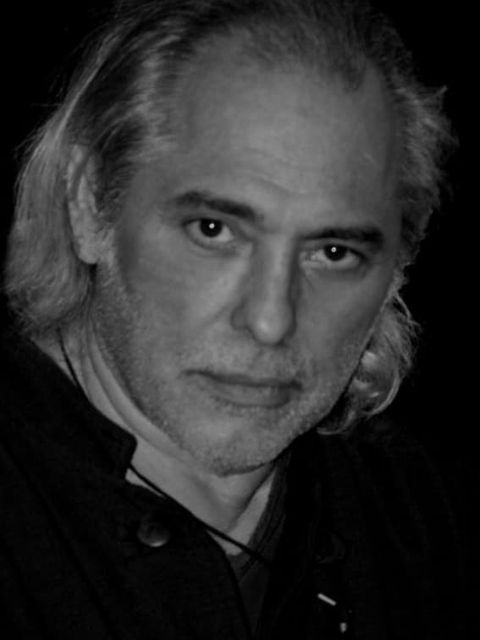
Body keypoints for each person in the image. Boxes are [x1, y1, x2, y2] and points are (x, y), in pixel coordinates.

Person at [0, 0, 469, 638]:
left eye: (334, 253)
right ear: (89, 205)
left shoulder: (423, 520)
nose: (270, 320)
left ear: (398, 267)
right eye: (214, 230)